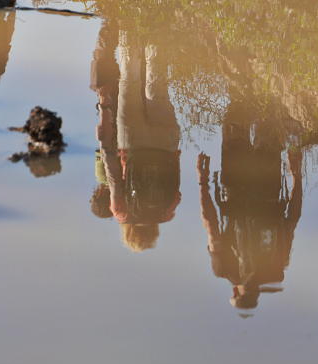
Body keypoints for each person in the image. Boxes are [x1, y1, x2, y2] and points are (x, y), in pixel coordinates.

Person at [197, 98, 303, 311]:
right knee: (237, 112)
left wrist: (296, 176)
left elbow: (293, 219)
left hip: (268, 185)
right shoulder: (225, 270)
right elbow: (211, 222)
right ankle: (247, 77)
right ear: (235, 291)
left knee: (270, 117)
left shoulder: (277, 268)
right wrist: (203, 181)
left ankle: (267, 76)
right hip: (236, 184)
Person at [89, 11, 181, 252]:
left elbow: (176, 181)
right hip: (132, 144)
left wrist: (173, 152)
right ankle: (131, 15)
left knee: (157, 84)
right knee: (130, 77)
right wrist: (105, 114)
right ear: (127, 232)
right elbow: (111, 168)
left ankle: (157, 19)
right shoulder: (121, 212)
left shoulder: (167, 212)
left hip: (166, 144)